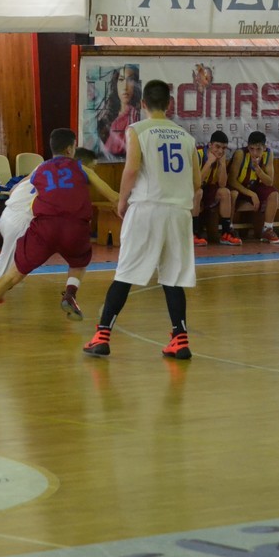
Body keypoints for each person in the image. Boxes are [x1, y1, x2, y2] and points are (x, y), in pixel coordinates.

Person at [83, 79, 200, 360]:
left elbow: (132, 169)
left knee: (126, 273)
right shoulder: (186, 137)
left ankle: (102, 336)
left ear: (143, 103)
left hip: (148, 208)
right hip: (178, 213)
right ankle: (180, 340)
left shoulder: (137, 129)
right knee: (173, 277)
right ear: (170, 104)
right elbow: (197, 182)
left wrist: (122, 201)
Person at [0, 147, 118, 324]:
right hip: (23, 221)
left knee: (5, 280)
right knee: (4, 280)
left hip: (9, 214)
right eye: (92, 168)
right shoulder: (75, 174)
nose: (92, 173)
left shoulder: (43, 167)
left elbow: (14, 189)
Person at [228, 131, 279, 245]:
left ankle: (268, 229)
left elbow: (269, 182)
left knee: (274, 194)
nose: (254, 153)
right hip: (239, 187)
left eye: (258, 149)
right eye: (251, 149)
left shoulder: (268, 154)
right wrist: (251, 194)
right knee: (232, 194)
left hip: (254, 186)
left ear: (264, 148)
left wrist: (258, 169)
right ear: (247, 147)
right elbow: (231, 180)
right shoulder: (240, 154)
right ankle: (229, 229)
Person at [192, 130, 240, 246]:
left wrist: (222, 164)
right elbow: (196, 183)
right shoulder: (198, 154)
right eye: (217, 147)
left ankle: (226, 233)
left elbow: (222, 184)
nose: (220, 151)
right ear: (210, 145)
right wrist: (209, 162)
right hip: (192, 189)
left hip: (208, 190)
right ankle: (193, 234)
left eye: (223, 148)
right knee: (198, 192)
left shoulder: (220, 158)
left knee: (225, 192)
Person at [95, 65, 142, 160]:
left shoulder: (137, 116)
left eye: (130, 80)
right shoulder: (105, 115)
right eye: (121, 80)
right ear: (115, 83)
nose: (125, 87)